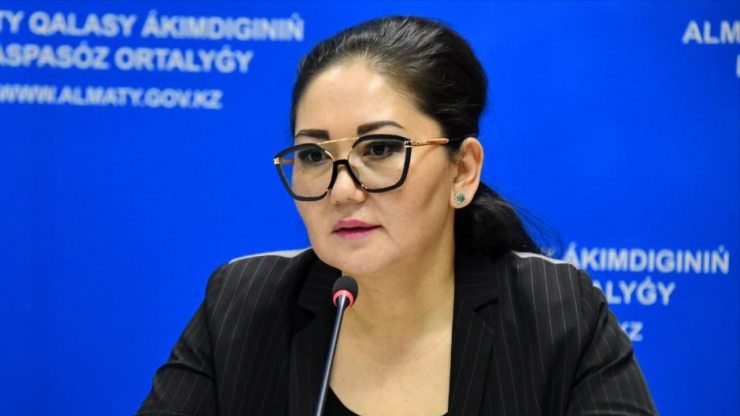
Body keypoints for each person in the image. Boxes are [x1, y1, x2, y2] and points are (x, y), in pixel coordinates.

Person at [135, 16, 658, 416]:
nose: (342, 190)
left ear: (462, 172)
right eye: (314, 155)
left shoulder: (557, 316)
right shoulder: (243, 306)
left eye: (380, 149)